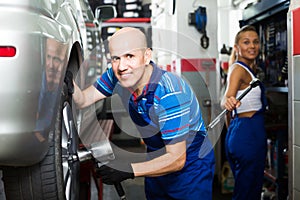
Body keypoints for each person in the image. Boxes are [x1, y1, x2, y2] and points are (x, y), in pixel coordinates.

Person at [73, 27, 215, 199]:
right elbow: (83, 100)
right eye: (115, 58)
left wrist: (129, 169)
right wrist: (67, 82)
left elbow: (177, 159)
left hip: (190, 168)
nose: (122, 66)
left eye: (130, 56)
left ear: (147, 56)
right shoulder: (116, 75)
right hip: (156, 161)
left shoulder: (170, 94)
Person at [221, 25, 267, 200]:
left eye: (255, 42)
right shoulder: (239, 69)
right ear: (237, 47)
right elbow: (227, 98)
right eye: (246, 42)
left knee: (247, 188)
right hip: (248, 134)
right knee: (248, 191)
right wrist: (229, 100)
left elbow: (228, 113)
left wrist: (233, 131)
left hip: (240, 131)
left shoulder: (243, 68)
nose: (252, 46)